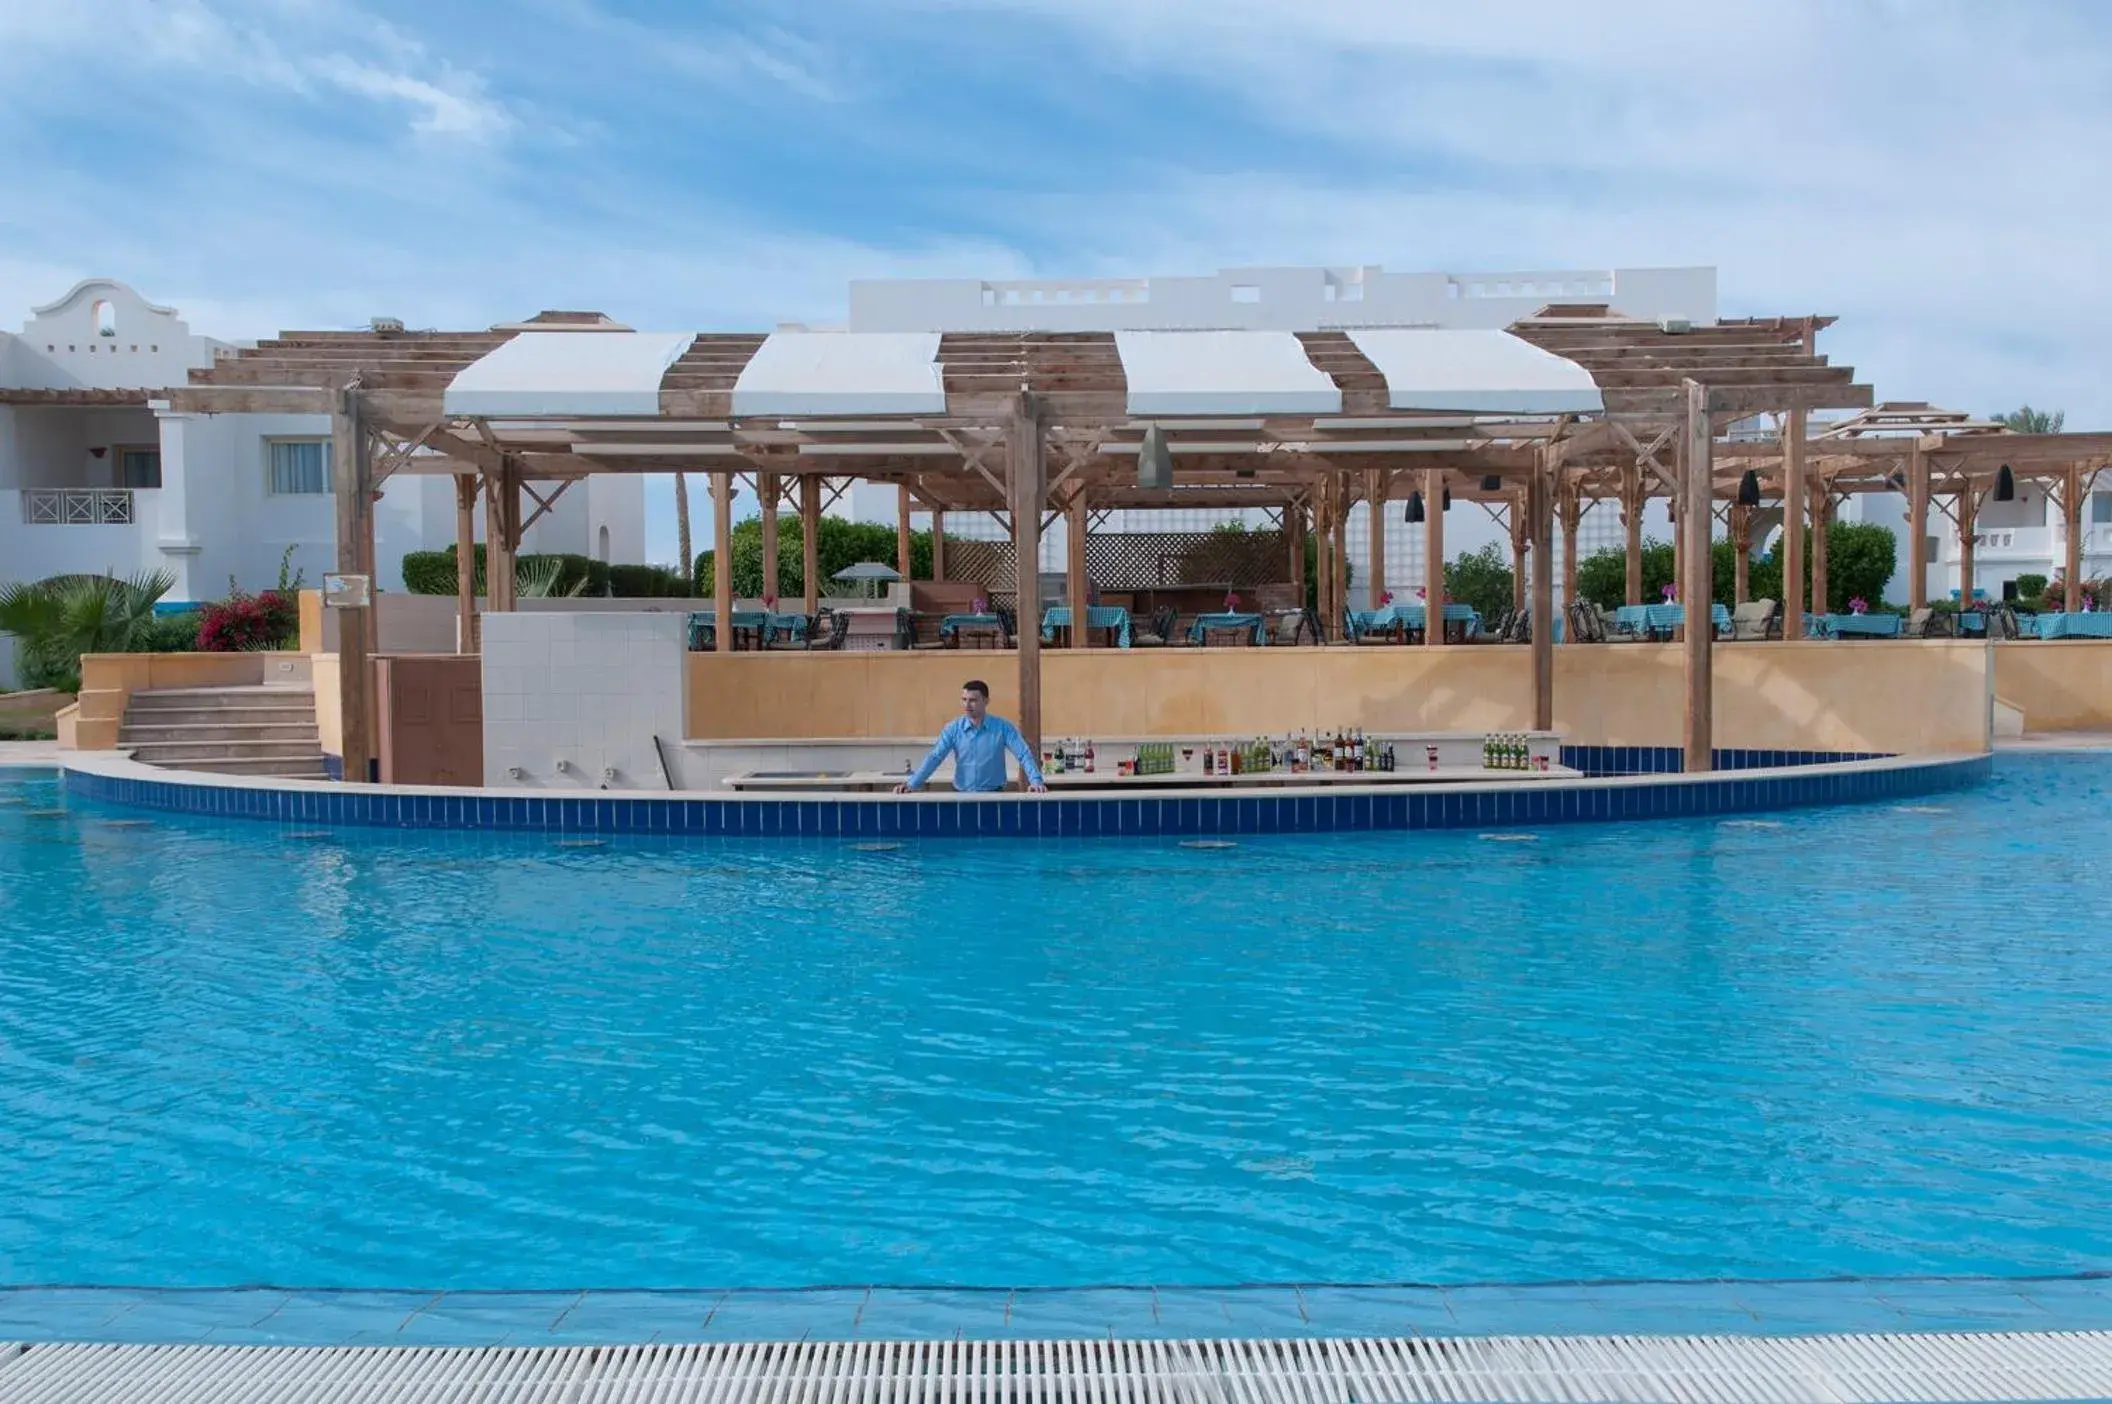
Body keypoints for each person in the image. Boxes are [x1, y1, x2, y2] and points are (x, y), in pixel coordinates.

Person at [895, 680, 1048, 794]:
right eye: (964, 700)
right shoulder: (953, 729)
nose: (967, 705)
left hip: (994, 795)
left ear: (986, 701)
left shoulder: (1003, 727)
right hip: (961, 796)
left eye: (973, 700)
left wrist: (1036, 781)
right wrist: (911, 784)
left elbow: (1023, 753)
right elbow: (935, 757)